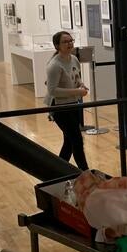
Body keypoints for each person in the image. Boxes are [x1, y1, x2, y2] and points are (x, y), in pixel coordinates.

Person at [45, 31, 89, 171]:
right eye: (65, 41)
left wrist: (81, 84)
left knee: (69, 141)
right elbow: (53, 90)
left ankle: (58, 171)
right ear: (57, 45)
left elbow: (76, 76)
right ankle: (85, 173)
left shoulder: (74, 59)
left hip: (72, 104)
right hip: (59, 107)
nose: (70, 43)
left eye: (71, 40)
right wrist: (78, 92)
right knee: (76, 140)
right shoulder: (54, 65)